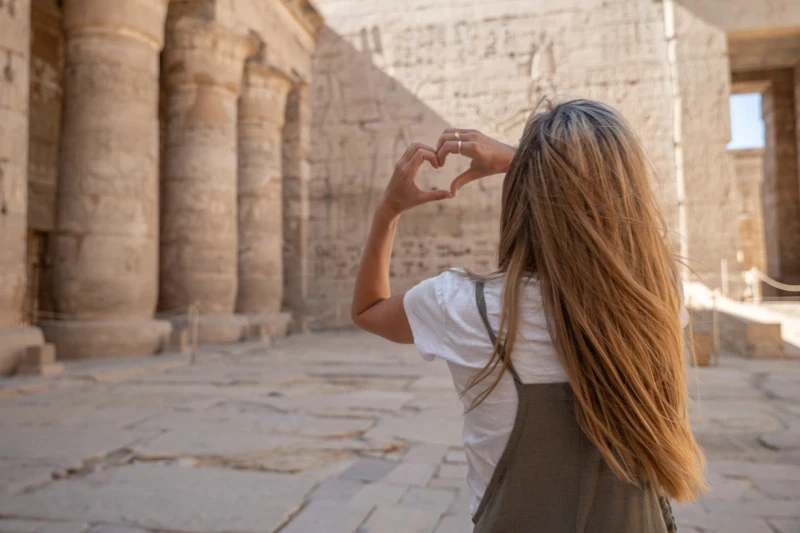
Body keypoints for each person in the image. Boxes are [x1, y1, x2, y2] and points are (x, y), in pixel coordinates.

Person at [350, 99, 706, 532]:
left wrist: (389, 210)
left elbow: (368, 309)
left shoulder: (465, 306)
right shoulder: (656, 293)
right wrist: (527, 161)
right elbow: (599, 213)